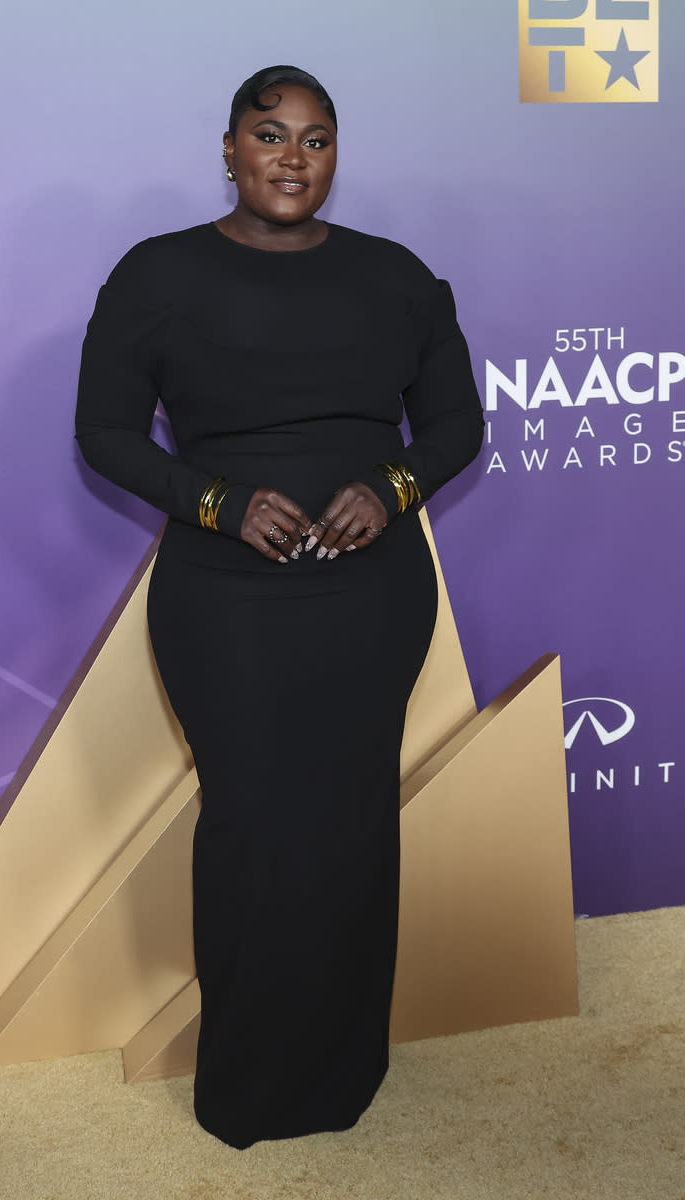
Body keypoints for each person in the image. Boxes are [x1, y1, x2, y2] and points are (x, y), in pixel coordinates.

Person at [75, 64, 483, 1150]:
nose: (292, 157)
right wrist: (214, 501)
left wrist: (391, 488)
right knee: (253, 823)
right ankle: (249, 1085)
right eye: (269, 134)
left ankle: (344, 1067)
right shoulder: (157, 273)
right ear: (228, 148)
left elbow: (453, 425)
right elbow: (104, 433)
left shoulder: (394, 276)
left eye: (315, 138)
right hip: (225, 598)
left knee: (350, 821)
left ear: (334, 154)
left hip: (369, 591)